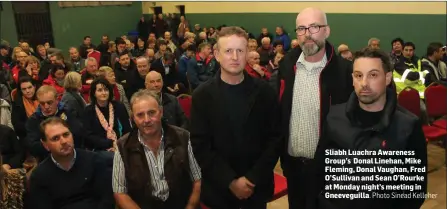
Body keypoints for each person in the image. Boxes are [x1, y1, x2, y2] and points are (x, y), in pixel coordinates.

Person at [309, 48, 427, 209]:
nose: (364, 83)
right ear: (352, 79)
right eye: (358, 75)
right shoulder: (334, 116)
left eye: (373, 75)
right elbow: (318, 172)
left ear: (387, 78)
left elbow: (414, 191)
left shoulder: (408, 125)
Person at [190, 26, 281, 209]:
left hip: (256, 188)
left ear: (247, 52)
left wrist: (251, 178)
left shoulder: (265, 92)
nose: (234, 57)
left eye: (240, 50)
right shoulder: (202, 95)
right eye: (228, 51)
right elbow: (201, 145)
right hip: (219, 190)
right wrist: (230, 181)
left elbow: (275, 139)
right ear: (216, 54)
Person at [277, 7, 353, 209]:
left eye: (314, 27)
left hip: (329, 173)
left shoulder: (345, 72)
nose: (307, 34)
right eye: (301, 28)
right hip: (293, 169)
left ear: (327, 31)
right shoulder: (287, 67)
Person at [112, 89, 201, 209]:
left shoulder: (183, 137)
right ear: (133, 118)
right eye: (140, 115)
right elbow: (120, 192)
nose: (147, 120)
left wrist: (190, 207)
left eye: (151, 113)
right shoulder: (122, 146)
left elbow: (197, 180)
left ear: (161, 112)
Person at [29, 117, 114, 209]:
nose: (64, 141)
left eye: (66, 135)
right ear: (45, 145)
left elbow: (106, 200)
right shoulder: (39, 176)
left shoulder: (94, 161)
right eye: (55, 138)